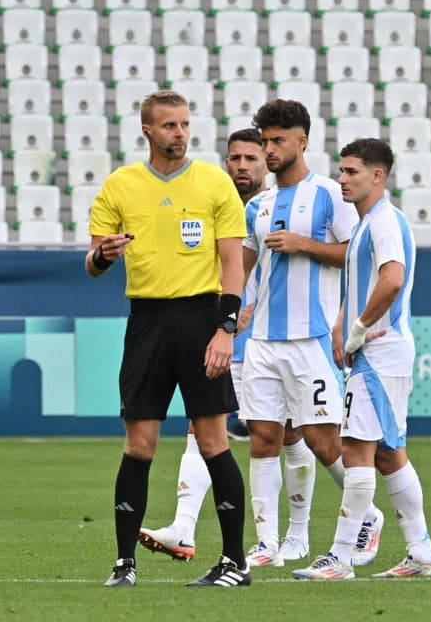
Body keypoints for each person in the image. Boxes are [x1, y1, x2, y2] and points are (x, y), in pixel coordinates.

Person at [86, 90, 250, 588]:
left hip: (202, 318)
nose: (180, 133)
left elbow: (232, 263)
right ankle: (124, 563)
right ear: (148, 131)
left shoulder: (212, 182)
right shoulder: (120, 185)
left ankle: (234, 563)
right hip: (147, 322)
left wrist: (226, 328)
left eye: (184, 124)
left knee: (212, 440)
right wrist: (105, 256)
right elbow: (93, 263)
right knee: (140, 443)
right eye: (170, 126)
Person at [137, 128, 317, 564]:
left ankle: (297, 534)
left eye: (251, 158)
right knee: (201, 431)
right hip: (219, 339)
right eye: (234, 158)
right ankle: (182, 526)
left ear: (266, 162)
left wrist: (250, 308)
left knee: (287, 434)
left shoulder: (278, 210)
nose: (242, 166)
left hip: (275, 341)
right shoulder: (208, 203)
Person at [240, 100, 382, 569]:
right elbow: (246, 265)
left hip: (312, 338)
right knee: (263, 437)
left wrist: (305, 245)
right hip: (262, 339)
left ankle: (367, 516)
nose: (269, 148)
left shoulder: (327, 194)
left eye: (278, 139)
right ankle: (266, 543)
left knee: (322, 442)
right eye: (265, 140)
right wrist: (235, 308)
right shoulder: (257, 206)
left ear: (302, 140)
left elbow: (355, 253)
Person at [293, 138, 431, 580]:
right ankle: (421, 553)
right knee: (389, 455)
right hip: (378, 352)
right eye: (341, 171)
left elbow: (391, 280)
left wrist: (358, 329)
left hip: (381, 351)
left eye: (352, 171)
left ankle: (340, 557)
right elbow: (364, 281)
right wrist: (343, 323)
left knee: (356, 450)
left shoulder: (382, 222)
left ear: (377, 175)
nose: (342, 179)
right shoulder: (366, 224)